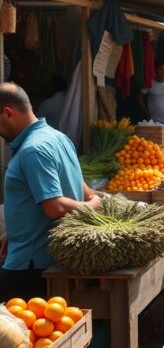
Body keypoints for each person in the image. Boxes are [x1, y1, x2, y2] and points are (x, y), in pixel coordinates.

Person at [0, 83, 102, 301]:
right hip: (42, 256)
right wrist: (18, 229)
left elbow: (54, 206)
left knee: (16, 332)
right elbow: (83, 191)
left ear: (8, 113)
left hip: (32, 266)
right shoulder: (58, 138)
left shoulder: (32, 150)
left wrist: (94, 205)